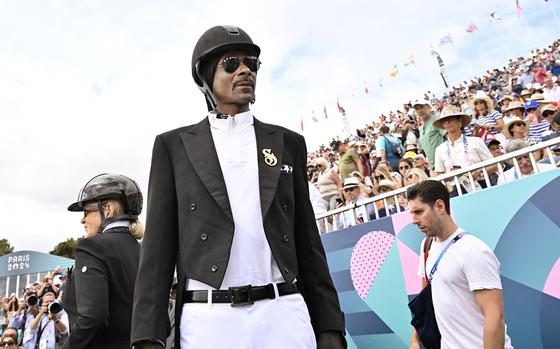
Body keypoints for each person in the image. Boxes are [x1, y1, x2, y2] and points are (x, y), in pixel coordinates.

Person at [130, 25, 345, 349]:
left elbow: (307, 243)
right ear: (205, 76)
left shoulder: (289, 143)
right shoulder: (172, 146)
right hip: (208, 322)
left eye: (251, 63)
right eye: (231, 63)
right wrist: (147, 336)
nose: (244, 69)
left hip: (284, 314)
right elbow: (157, 253)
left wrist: (329, 325)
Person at [407, 180, 513, 349]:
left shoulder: (473, 250)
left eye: (419, 212)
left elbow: (495, 319)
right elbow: (425, 299)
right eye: (412, 213)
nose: (413, 220)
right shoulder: (427, 245)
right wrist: (414, 339)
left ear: (440, 206)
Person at [62, 173, 144, 349]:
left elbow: (93, 317)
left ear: (107, 209)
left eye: (86, 211)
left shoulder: (91, 246)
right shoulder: (143, 251)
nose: (82, 219)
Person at [433, 105, 496, 192]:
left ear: (459, 120)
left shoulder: (476, 141)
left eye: (451, 118)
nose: (447, 122)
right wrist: (449, 176)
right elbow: (439, 174)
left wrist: (479, 172)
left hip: (480, 185)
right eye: (444, 121)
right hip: (455, 190)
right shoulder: (440, 149)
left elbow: (494, 165)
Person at [414, 99, 445, 172]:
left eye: (421, 107)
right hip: (434, 167)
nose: (419, 111)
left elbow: (450, 137)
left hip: (445, 163)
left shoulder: (436, 118)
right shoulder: (421, 128)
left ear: (428, 107)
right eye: (417, 109)